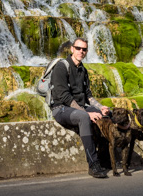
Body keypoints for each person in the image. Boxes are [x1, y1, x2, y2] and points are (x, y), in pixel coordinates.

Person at [50, 37, 111, 179]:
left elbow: (88, 96)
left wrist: (101, 107)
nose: (81, 51)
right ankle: (93, 165)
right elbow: (64, 97)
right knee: (84, 117)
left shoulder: (83, 70)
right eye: (78, 48)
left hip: (79, 107)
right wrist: (86, 113)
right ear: (72, 49)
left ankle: (105, 159)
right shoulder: (61, 67)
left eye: (84, 49)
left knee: (108, 115)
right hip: (61, 109)